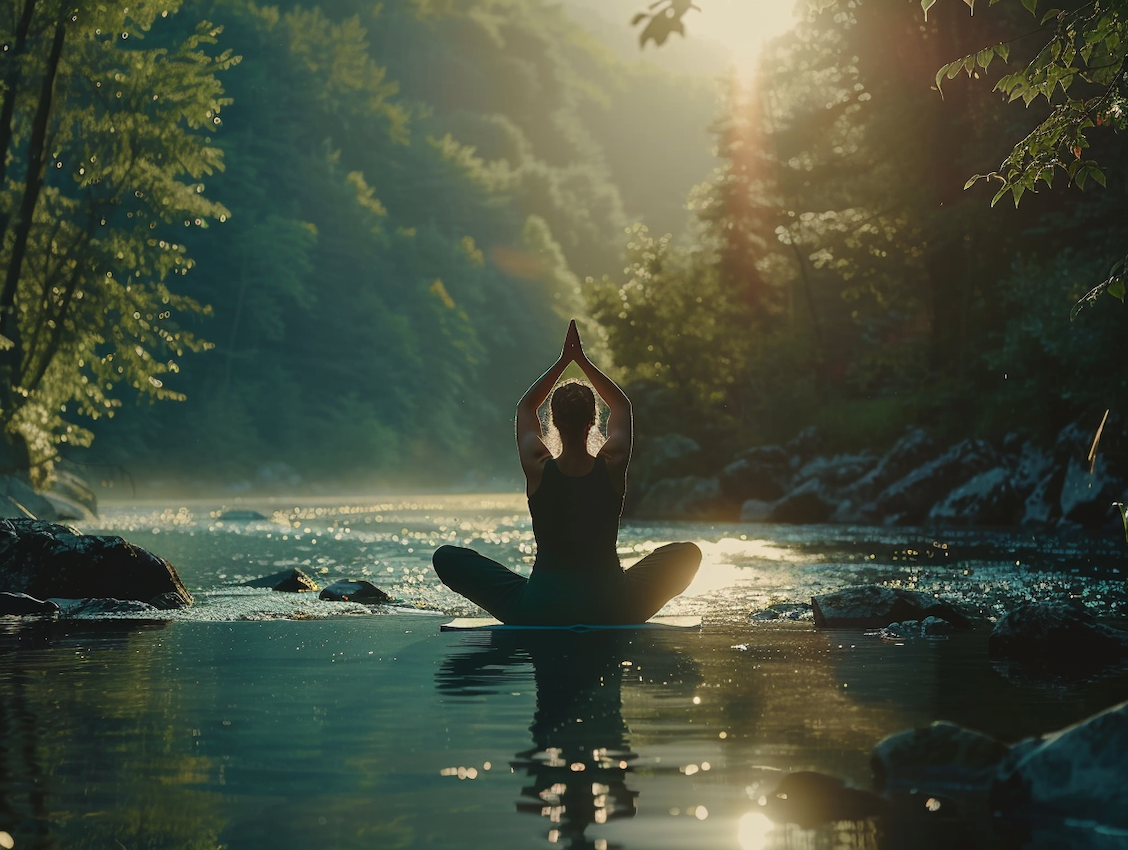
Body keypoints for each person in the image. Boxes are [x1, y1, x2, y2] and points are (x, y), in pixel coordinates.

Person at [433, 320, 700, 624]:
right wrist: (583, 362)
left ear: (554, 422)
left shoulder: (537, 465)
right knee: (687, 553)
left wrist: (563, 361)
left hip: (540, 607)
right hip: (613, 605)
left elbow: (525, 408)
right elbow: (622, 407)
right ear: (592, 422)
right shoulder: (613, 463)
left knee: (447, 557)